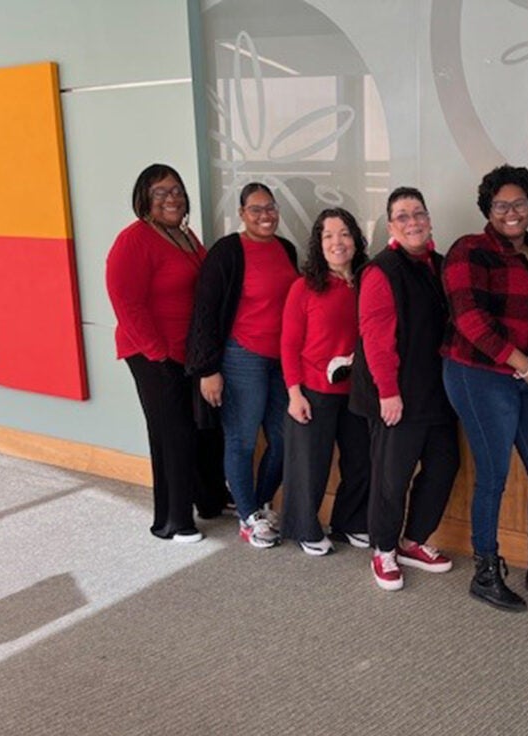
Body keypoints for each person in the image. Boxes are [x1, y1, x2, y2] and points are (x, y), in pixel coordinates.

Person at [442, 164, 528, 612]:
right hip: (478, 375)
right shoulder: (470, 251)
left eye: (519, 203)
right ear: (488, 208)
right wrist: (522, 362)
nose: (511, 212)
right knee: (494, 475)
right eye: (501, 204)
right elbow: (469, 319)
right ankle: (486, 572)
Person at [106, 163, 227, 543]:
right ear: (144, 199)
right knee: (171, 434)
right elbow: (125, 301)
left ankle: (208, 500)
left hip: (189, 353)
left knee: (203, 429)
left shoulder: (186, 236)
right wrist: (157, 354)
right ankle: (173, 521)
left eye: (176, 190)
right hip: (152, 354)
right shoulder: (134, 240)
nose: (171, 197)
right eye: (161, 192)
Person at [350, 187, 460, 591]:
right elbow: (375, 338)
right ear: (392, 225)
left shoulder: (442, 265)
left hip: (436, 391)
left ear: (429, 220)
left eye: (418, 213)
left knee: (445, 466)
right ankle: (383, 550)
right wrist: (388, 392)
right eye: (402, 215)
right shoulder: (381, 270)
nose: (412, 220)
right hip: (394, 394)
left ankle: (413, 540)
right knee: (391, 477)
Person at [187, 182, 299, 549]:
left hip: (281, 359)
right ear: (242, 214)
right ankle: (249, 517)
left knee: (284, 439)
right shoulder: (227, 252)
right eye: (256, 209)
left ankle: (257, 502)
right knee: (242, 439)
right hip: (241, 357)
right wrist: (207, 368)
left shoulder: (286, 249)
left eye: (270, 208)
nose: (265, 215)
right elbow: (204, 311)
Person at [279, 208, 371, 556]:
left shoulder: (368, 281)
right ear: (319, 243)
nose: (337, 242)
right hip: (313, 390)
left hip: (357, 390)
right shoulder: (303, 287)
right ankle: (303, 526)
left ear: (356, 240)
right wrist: (293, 393)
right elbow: (288, 343)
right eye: (328, 235)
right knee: (310, 464)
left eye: (344, 233)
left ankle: (348, 522)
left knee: (361, 460)